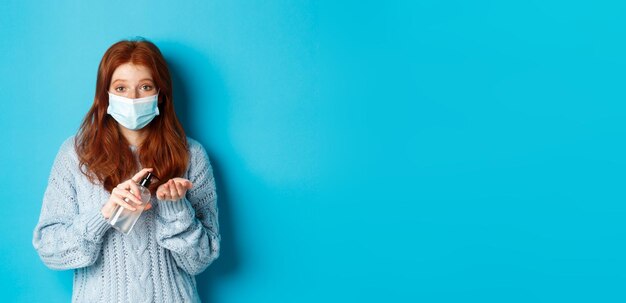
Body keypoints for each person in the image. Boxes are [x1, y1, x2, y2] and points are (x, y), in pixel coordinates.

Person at [32, 38, 220, 303]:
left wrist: (176, 208)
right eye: (121, 88)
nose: (132, 98)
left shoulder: (191, 155)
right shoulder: (75, 155)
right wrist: (104, 214)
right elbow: (50, 250)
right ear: (105, 95)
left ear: (161, 94)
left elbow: (199, 260)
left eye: (145, 87)